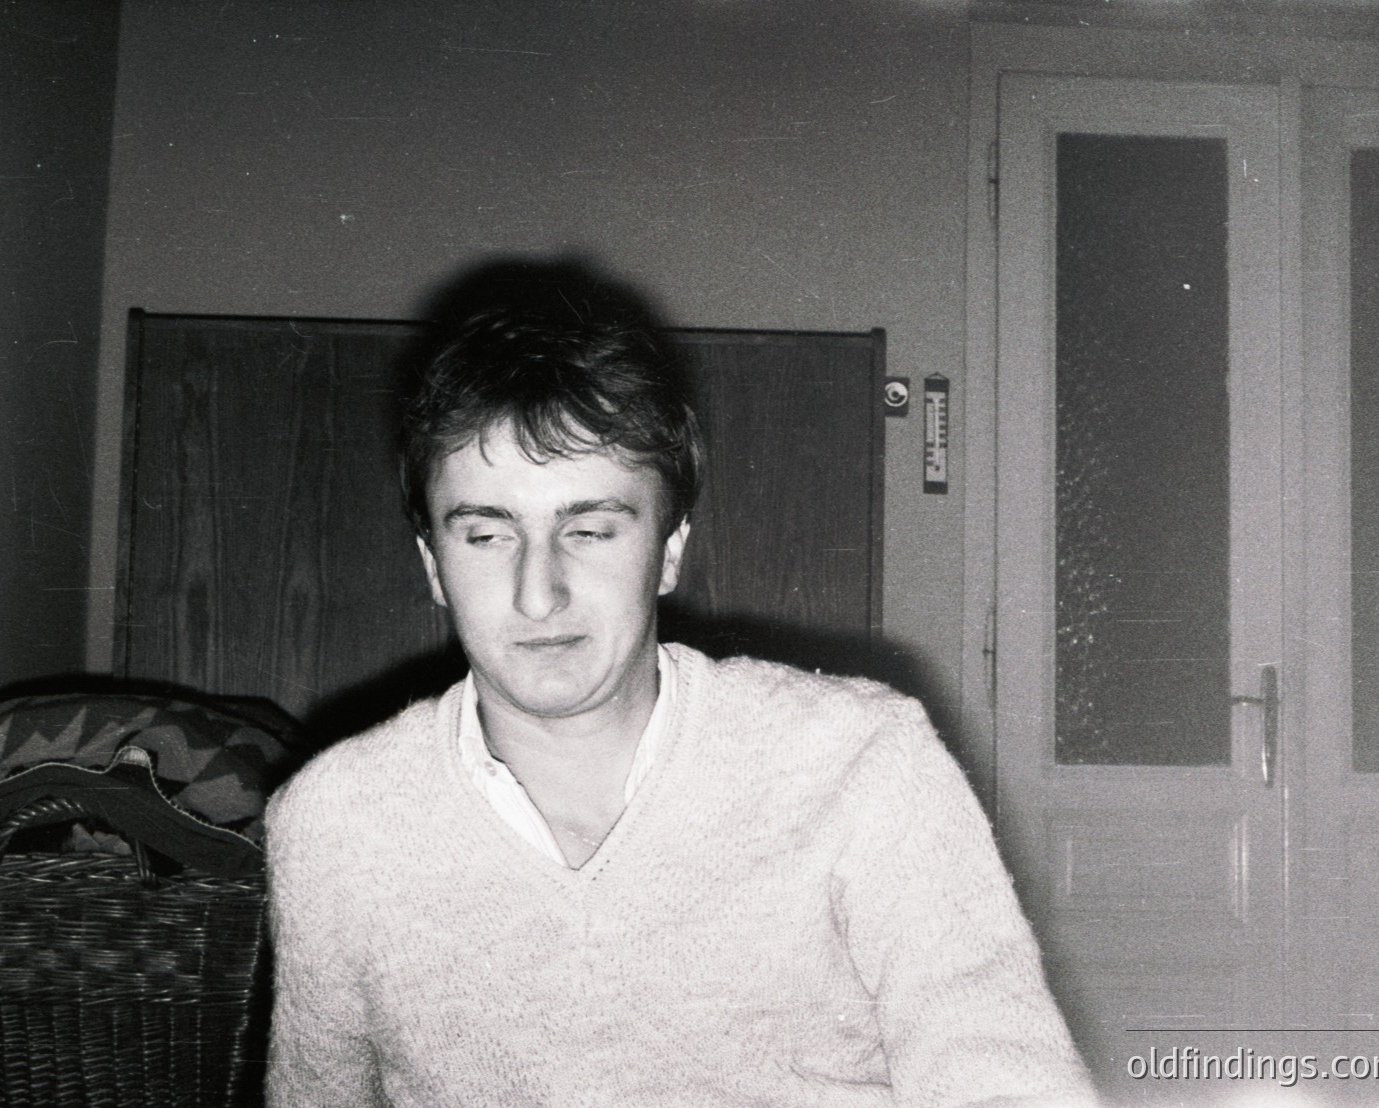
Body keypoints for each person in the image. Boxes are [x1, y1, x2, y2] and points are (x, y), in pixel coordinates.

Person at [264, 293, 1096, 1106]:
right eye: (487, 535)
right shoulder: (336, 821)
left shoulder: (859, 759)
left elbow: (1004, 1076)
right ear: (432, 564)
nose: (538, 592)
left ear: (668, 552)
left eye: (589, 531)